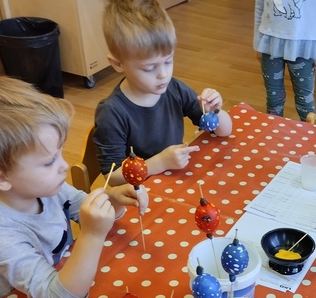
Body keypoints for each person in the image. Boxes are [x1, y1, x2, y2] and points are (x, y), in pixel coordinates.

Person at [0, 75, 148, 298]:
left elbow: (84, 210)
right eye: (49, 162)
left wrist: (113, 200)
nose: (64, 166)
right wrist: (92, 234)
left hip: (60, 286)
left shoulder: (43, 188)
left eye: (59, 154)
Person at [95, 0, 233, 185]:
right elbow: (112, 177)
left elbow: (224, 132)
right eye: (149, 68)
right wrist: (159, 163)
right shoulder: (112, 113)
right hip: (141, 191)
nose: (163, 74)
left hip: (174, 181)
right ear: (118, 64)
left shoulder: (174, 89)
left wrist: (215, 111)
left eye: (168, 61)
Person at [253, 0, 316, 121]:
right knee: (273, 101)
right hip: (270, 43)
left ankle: (309, 133)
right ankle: (273, 131)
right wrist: (258, 43)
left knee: (305, 103)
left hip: (303, 46)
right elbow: (260, 6)